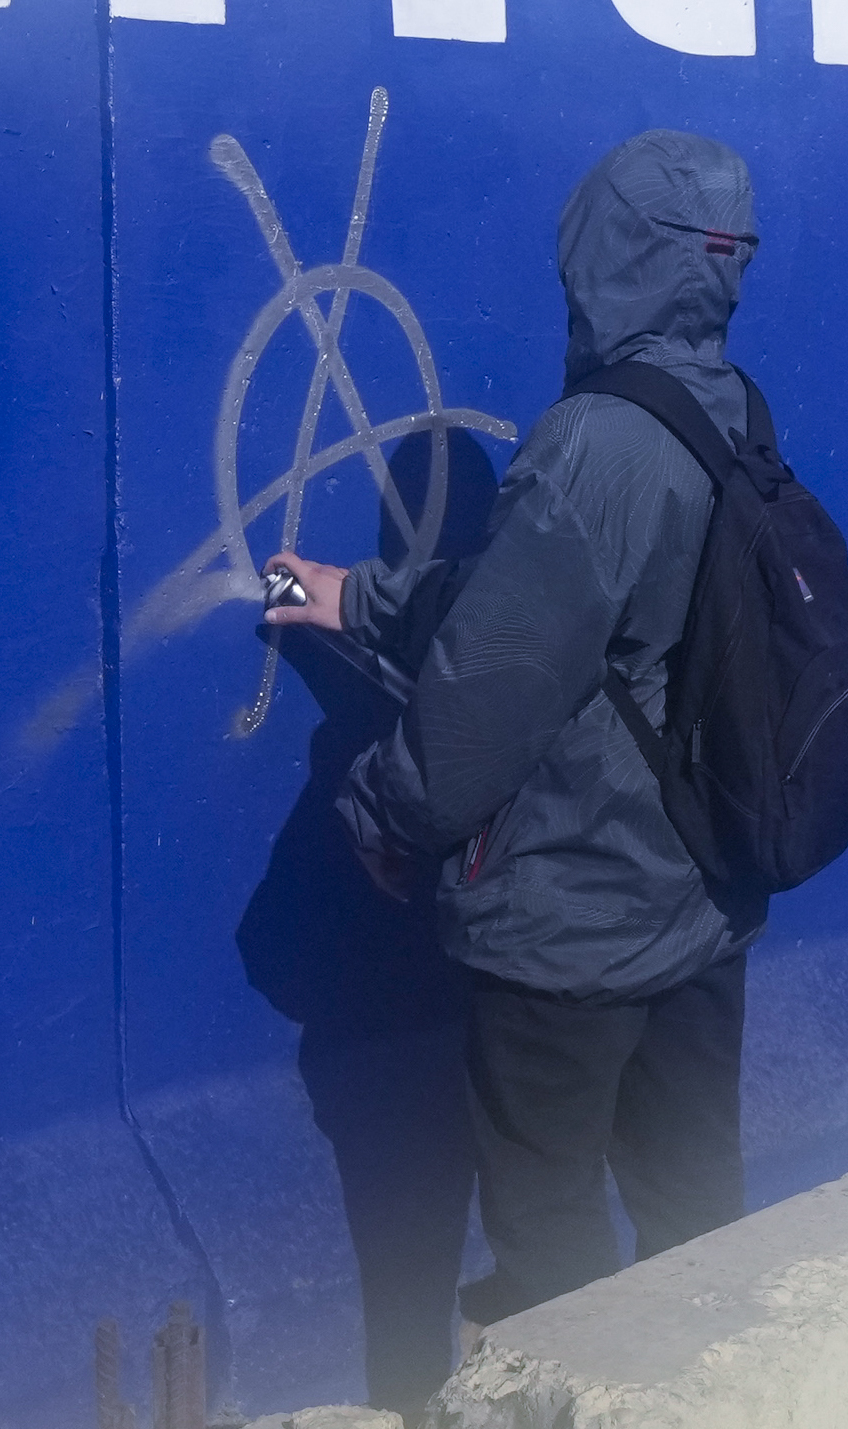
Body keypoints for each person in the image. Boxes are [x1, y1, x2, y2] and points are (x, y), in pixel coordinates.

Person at [264, 129, 766, 1325]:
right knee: (697, 1208)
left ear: (610, 260)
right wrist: (357, 596)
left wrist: (385, 808)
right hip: (696, 908)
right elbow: (548, 598)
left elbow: (492, 681)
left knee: (548, 1239)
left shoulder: (594, 443)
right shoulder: (723, 408)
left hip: (571, 936)